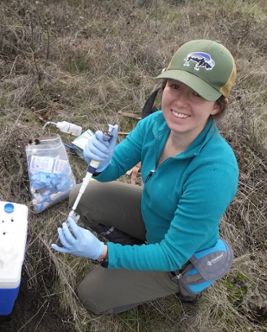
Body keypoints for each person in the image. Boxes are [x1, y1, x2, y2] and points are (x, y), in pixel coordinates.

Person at [52, 39, 239, 314]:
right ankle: (136, 246)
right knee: (81, 196)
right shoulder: (155, 125)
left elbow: (172, 253)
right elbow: (111, 169)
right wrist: (100, 161)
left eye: (197, 94)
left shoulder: (216, 170)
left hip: (177, 258)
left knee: (91, 296)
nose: (181, 102)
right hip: (153, 211)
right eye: (175, 86)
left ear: (216, 107)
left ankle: (181, 283)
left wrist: (103, 253)